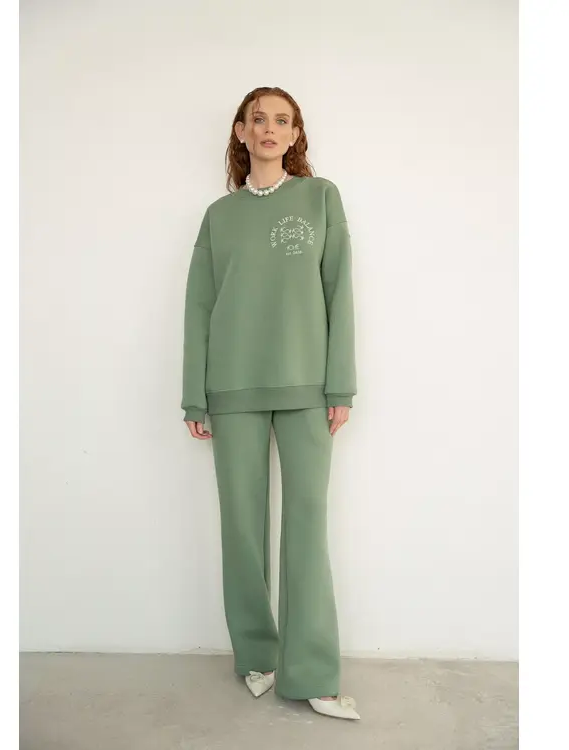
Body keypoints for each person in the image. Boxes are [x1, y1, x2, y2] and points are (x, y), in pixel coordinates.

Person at [180, 86, 359, 721]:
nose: (270, 129)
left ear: (295, 134)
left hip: (307, 387)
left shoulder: (320, 198)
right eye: (259, 119)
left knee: (306, 526)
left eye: (283, 121)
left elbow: (339, 293)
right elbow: (199, 305)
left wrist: (339, 386)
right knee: (241, 528)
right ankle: (257, 655)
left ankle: (312, 671)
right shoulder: (218, 216)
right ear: (240, 130)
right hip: (231, 389)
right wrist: (193, 394)